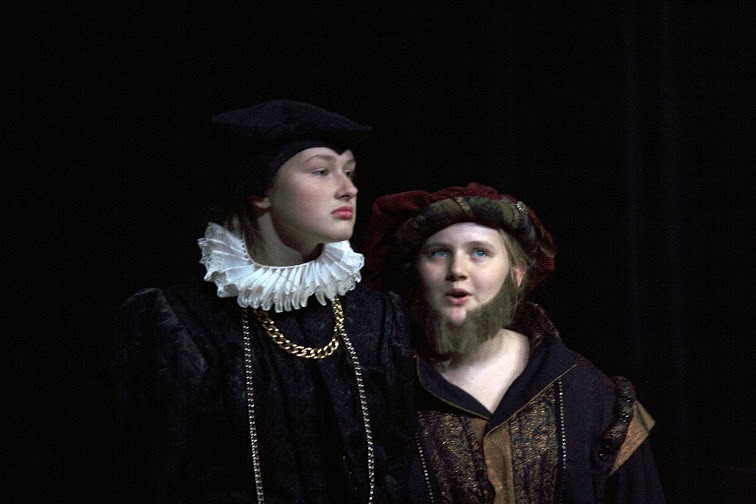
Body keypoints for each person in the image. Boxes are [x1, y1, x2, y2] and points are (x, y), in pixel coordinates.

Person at [112, 100, 415, 503]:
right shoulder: (179, 322)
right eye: (321, 171)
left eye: (349, 172)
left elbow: (399, 466)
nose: (348, 189)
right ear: (259, 190)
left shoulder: (378, 317)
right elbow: (147, 476)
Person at [361, 183, 665, 503]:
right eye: (439, 253)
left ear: (516, 275)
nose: (457, 270)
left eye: (479, 252)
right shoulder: (381, 397)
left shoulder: (590, 395)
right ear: (416, 274)